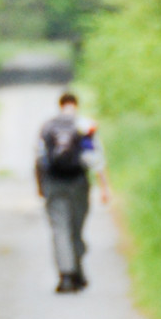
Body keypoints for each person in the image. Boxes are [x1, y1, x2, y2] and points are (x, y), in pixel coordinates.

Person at [36, 91, 111, 293]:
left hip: (54, 183)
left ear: (60, 105)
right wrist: (104, 186)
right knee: (76, 229)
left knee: (60, 229)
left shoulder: (48, 126)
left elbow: (40, 158)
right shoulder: (84, 125)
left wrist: (40, 186)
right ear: (75, 105)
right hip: (78, 182)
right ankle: (76, 271)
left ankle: (67, 275)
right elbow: (95, 157)